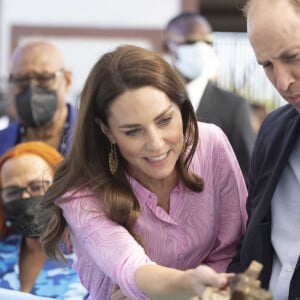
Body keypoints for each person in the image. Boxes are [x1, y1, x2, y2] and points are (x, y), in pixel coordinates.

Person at [37, 44, 247, 299]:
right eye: (133, 131)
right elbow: (131, 268)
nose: (156, 143)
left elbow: (230, 249)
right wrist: (192, 284)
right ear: (106, 130)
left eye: (164, 120)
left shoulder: (211, 143)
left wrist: (204, 288)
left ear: (181, 108)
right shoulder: (81, 191)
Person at [227, 0, 300, 299]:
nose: (283, 82)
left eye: (293, 56)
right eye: (267, 65)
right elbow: (251, 245)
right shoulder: (272, 131)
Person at [164, 12, 255, 181]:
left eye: (207, 41)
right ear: (167, 46)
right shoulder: (153, 102)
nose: (200, 47)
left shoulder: (233, 107)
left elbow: (247, 175)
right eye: (190, 41)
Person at [0, 141, 88, 299]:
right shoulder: (3, 250)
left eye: (36, 187)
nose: (25, 198)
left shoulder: (92, 255)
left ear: (61, 187)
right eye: (13, 192)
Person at [0, 40, 77, 156]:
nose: (32, 89)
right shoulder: (3, 143)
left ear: (67, 80)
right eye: (22, 80)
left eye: (44, 78)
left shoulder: (97, 138)